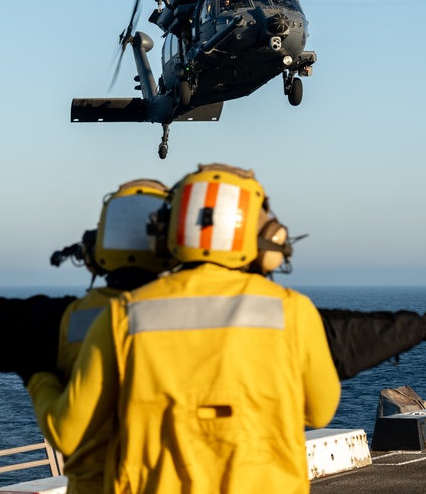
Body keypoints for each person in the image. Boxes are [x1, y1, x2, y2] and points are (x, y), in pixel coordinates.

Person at [26, 164, 341, 493]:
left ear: (163, 233)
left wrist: (39, 377)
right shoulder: (292, 310)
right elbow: (320, 411)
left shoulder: (123, 316)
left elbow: (67, 431)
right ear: (267, 238)